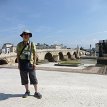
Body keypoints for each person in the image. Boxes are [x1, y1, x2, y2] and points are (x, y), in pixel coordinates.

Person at [16, 30, 42, 99]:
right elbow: (18, 55)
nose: (25, 35)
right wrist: (18, 64)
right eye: (24, 34)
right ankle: (27, 91)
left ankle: (36, 92)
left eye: (27, 34)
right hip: (22, 63)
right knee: (24, 78)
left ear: (29, 36)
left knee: (33, 77)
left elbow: (35, 54)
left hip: (30, 63)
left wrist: (35, 63)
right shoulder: (19, 45)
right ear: (22, 36)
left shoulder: (32, 44)